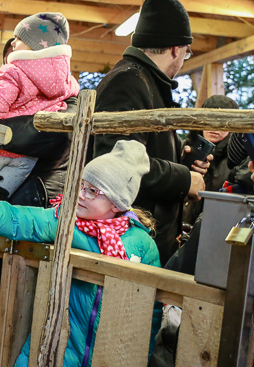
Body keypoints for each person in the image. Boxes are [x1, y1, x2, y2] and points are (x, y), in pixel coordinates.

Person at [0, 140, 161, 367]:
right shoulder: (66, 222)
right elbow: (24, 219)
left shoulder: (142, 245)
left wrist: (140, 355)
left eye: (93, 191)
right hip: (59, 349)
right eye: (81, 185)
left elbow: (150, 310)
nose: (81, 194)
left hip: (110, 354)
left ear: (117, 203)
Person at [91, 0, 208, 266]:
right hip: (128, 242)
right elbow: (117, 164)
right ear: (176, 48)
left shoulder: (144, 81)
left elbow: (141, 150)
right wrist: (183, 179)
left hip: (141, 238)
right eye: (186, 53)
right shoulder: (129, 81)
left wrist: (183, 160)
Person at [0, 12, 80, 198]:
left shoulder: (14, 72)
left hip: (0, 152)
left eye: (18, 38)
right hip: (27, 162)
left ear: (36, 44)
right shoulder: (68, 85)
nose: (13, 43)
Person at [181, 95, 238, 228]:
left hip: (217, 231)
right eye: (209, 119)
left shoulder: (238, 160)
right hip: (177, 230)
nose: (215, 127)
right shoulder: (184, 149)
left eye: (223, 122)